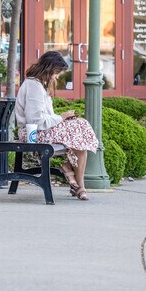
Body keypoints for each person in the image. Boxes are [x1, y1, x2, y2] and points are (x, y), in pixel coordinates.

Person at [15, 51, 99, 201]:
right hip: (33, 133)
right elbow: (36, 120)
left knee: (80, 133)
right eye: (57, 72)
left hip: (40, 131)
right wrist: (62, 117)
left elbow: (44, 118)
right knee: (80, 126)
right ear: (49, 69)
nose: (57, 77)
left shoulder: (38, 85)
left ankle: (78, 183)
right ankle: (77, 182)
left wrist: (63, 118)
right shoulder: (34, 86)